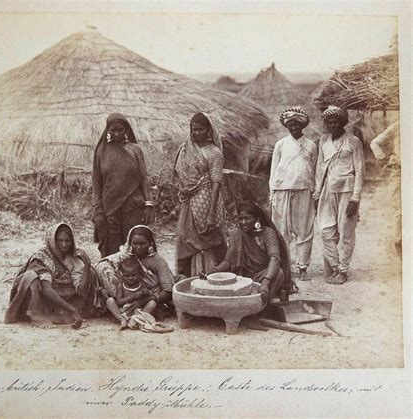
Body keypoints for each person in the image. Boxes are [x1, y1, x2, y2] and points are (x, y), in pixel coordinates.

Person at [5, 223, 104, 329]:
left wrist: (87, 264)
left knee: (90, 273)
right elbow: (47, 289)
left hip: (59, 293)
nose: (64, 245)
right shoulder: (42, 257)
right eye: (60, 241)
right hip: (39, 294)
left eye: (67, 241)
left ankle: (62, 312)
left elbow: (81, 291)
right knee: (31, 277)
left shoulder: (72, 257)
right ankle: (37, 315)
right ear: (53, 240)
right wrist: (72, 310)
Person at [314, 106, 365, 284]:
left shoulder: (353, 141)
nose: (332, 124)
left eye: (336, 121)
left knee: (346, 232)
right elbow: (320, 169)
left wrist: (355, 199)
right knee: (325, 231)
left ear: (343, 122)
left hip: (347, 191)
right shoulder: (323, 141)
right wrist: (317, 193)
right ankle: (335, 267)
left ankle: (343, 271)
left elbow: (359, 171)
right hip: (327, 191)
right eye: (329, 121)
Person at [206, 202, 295, 304]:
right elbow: (227, 261)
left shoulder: (268, 233)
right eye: (240, 219)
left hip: (262, 276)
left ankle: (264, 304)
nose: (243, 222)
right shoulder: (237, 234)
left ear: (257, 219)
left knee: (279, 274)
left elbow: (274, 258)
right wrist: (214, 271)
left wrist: (266, 281)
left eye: (247, 218)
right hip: (242, 278)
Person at [92, 113, 153, 258]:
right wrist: (98, 211)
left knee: (135, 247)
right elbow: (96, 182)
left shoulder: (135, 150)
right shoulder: (102, 151)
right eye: (113, 130)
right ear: (108, 131)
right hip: (110, 209)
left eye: (120, 130)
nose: (117, 133)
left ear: (126, 129)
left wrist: (148, 204)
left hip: (133, 206)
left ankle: (136, 279)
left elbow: (144, 178)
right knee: (113, 251)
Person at [173, 112, 226, 277]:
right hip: (189, 200)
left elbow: (217, 182)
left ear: (208, 130)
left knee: (212, 239)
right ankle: (187, 277)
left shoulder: (214, 152)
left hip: (206, 201)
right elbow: (179, 173)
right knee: (185, 239)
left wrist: (211, 213)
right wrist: (184, 189)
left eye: (200, 130)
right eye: (193, 129)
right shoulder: (186, 148)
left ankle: (222, 274)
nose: (195, 133)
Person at [270, 107, 317, 281]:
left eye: (297, 124)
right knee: (282, 231)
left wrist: (315, 192)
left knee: (304, 230)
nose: (294, 127)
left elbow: (314, 170)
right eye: (290, 124)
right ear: (286, 126)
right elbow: (274, 170)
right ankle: (284, 267)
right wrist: (272, 192)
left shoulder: (311, 145)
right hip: (282, 190)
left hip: (304, 191)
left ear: (302, 125)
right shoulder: (280, 144)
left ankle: (302, 267)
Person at [96, 225, 174, 315]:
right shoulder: (126, 256)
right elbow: (103, 264)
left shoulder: (157, 261)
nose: (138, 247)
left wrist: (142, 301)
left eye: (142, 244)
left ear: (151, 243)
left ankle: (138, 315)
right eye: (135, 244)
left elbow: (168, 290)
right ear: (130, 243)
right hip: (127, 295)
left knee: (152, 304)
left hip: (149, 295)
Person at [370, 120, 401, 256]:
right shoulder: (398, 126)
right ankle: (399, 242)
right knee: (400, 209)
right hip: (399, 172)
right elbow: (375, 143)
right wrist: (383, 158)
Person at [105, 256, 156, 330]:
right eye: (127, 276)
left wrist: (146, 293)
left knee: (152, 303)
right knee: (110, 301)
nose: (130, 278)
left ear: (139, 273)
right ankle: (122, 320)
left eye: (134, 275)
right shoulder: (121, 285)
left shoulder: (142, 284)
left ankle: (135, 320)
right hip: (124, 311)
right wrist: (134, 296)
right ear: (122, 274)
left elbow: (148, 297)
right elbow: (119, 302)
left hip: (138, 312)